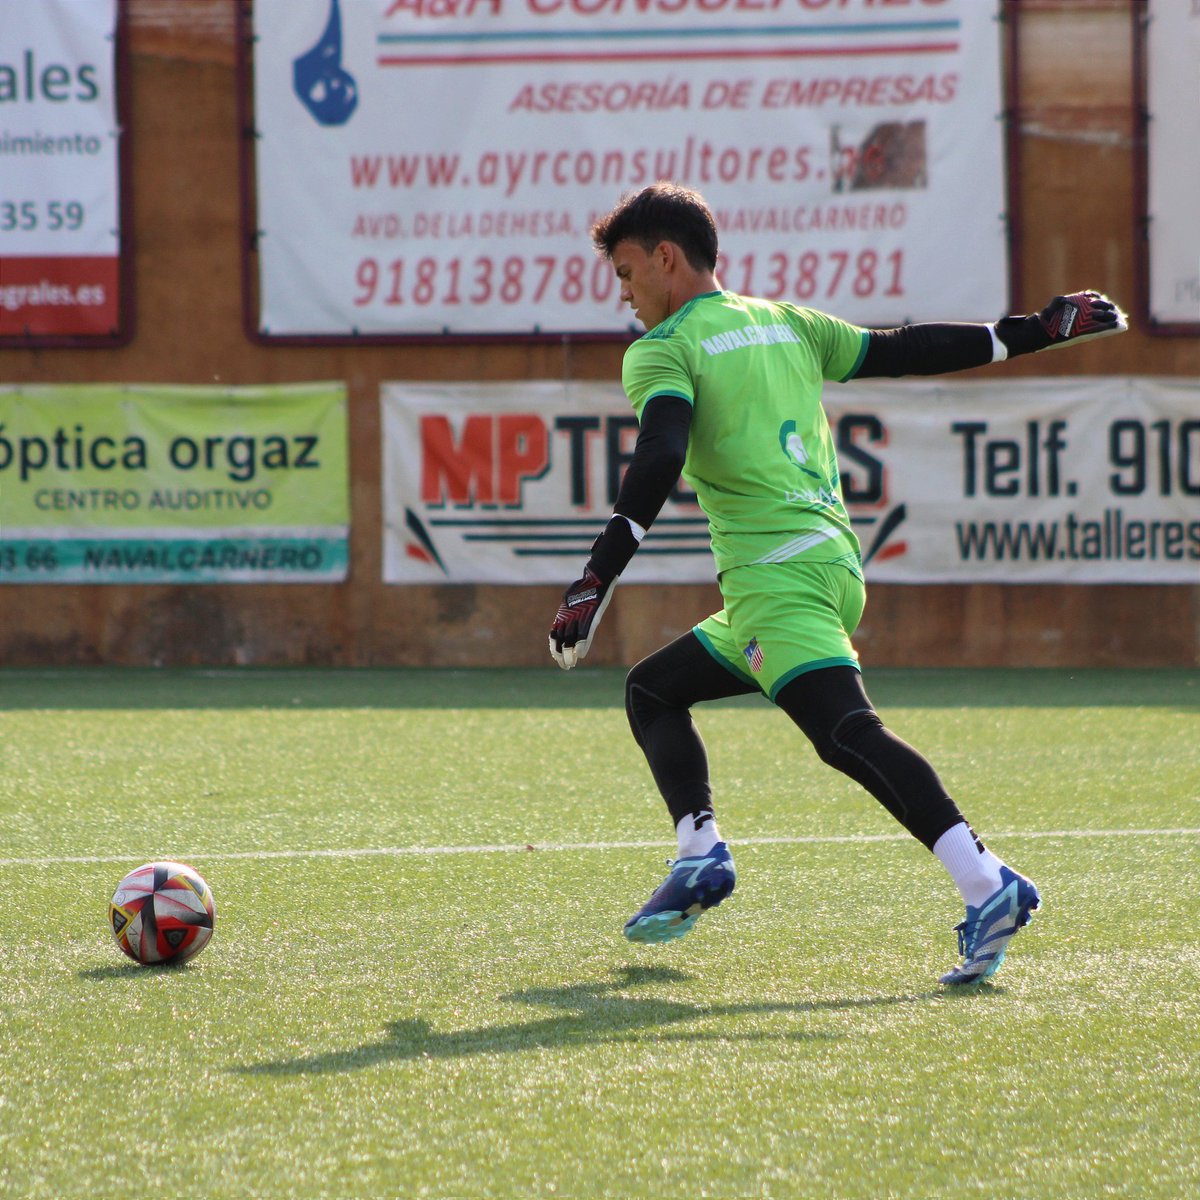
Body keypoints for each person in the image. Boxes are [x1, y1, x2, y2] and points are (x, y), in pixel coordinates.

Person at [548, 182, 1126, 986]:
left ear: (665, 259)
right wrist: (1029, 331)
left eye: (625, 272)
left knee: (846, 733)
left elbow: (661, 452)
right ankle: (699, 854)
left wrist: (595, 575)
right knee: (653, 690)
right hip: (822, 567)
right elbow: (902, 348)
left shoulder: (663, 349)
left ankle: (986, 882)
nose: (626, 293)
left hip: (778, 579)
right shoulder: (783, 321)